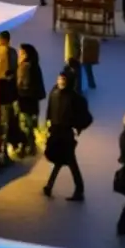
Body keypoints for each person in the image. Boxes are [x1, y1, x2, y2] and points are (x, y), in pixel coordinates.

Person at [43, 72, 90, 201]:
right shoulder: (55, 92)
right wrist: (48, 123)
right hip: (56, 132)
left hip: (66, 134)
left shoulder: (74, 97)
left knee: (70, 161)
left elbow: (85, 116)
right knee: (60, 160)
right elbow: (50, 109)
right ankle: (49, 185)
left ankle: (78, 190)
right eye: (59, 78)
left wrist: (77, 127)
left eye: (63, 79)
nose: (60, 81)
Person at [0, 30, 19, 161]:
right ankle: (5, 151)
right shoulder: (12, 52)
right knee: (7, 120)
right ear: (8, 39)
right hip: (9, 92)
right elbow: (13, 71)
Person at [16, 43, 46, 157]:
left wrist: (17, 93)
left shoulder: (25, 67)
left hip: (25, 101)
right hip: (33, 102)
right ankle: (30, 146)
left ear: (25, 54)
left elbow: (23, 85)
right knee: (30, 125)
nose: (19, 54)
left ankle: (26, 147)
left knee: (25, 125)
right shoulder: (34, 65)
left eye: (21, 52)